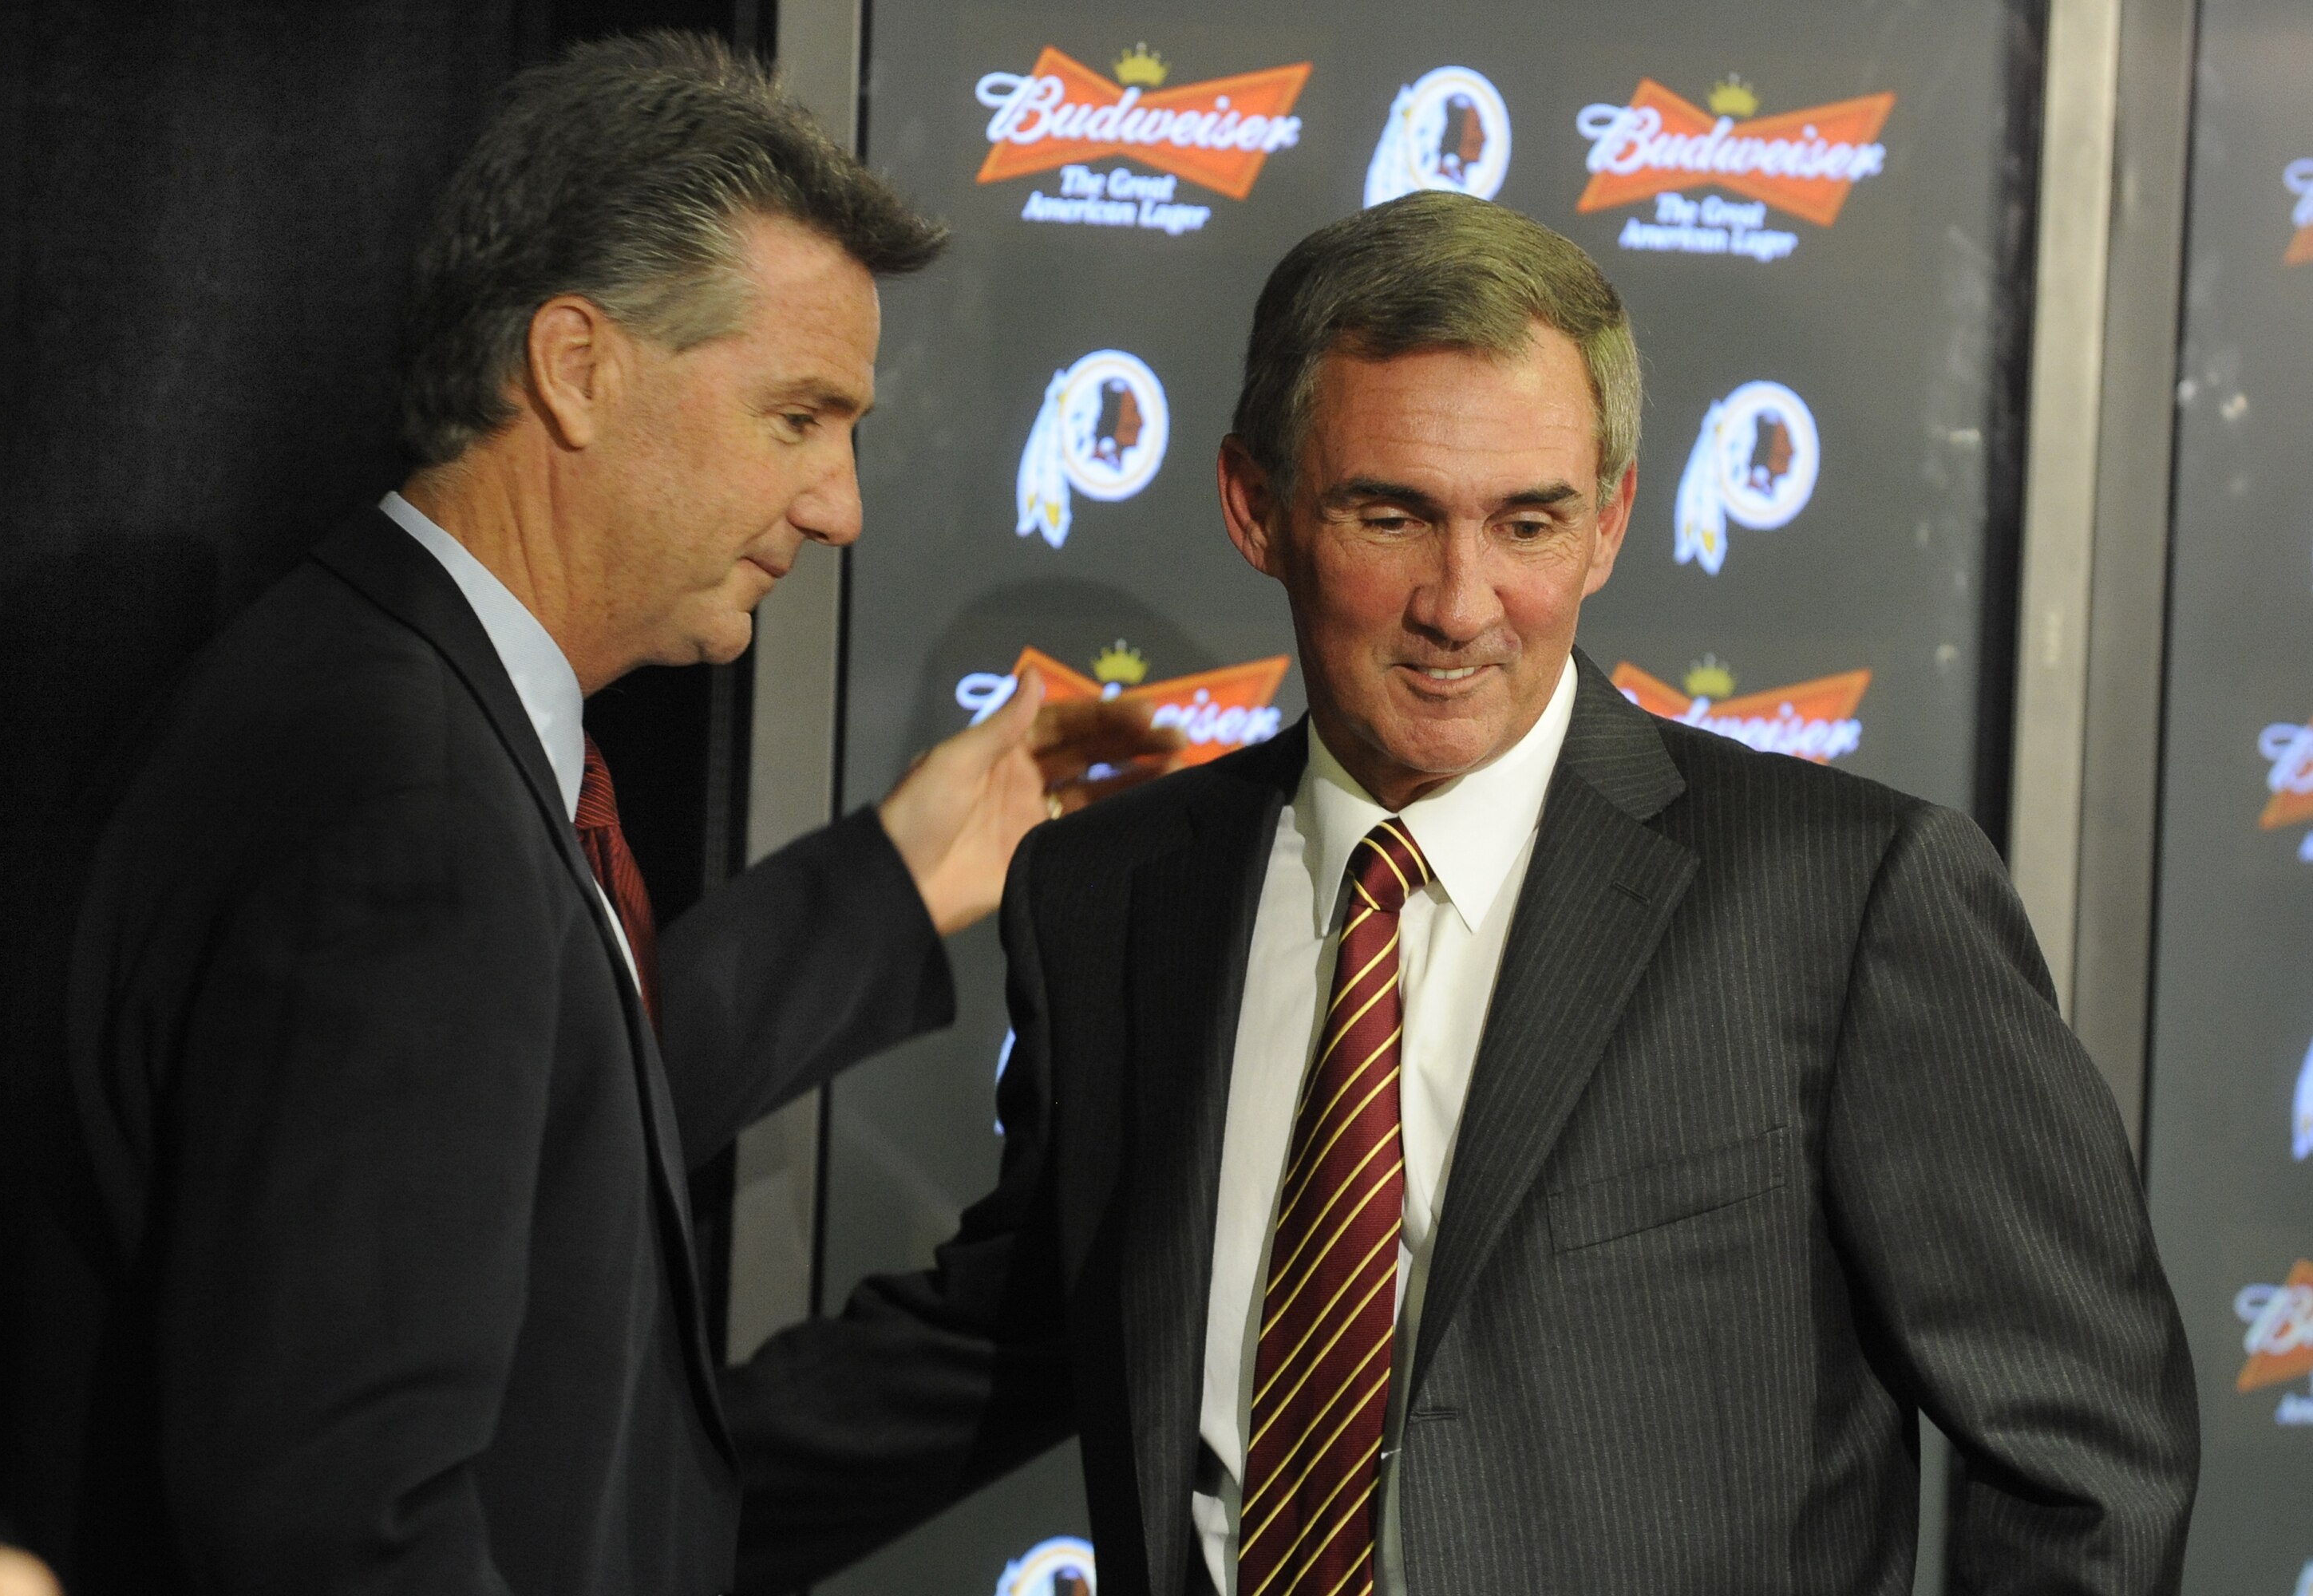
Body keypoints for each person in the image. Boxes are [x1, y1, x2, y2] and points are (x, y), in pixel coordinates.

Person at [718, 192, 2200, 1594]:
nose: (1462, 602)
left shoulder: (1846, 896)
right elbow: (1020, 1331)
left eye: (1530, 523)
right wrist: (565, 1511)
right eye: (1391, 515)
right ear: (1256, 505)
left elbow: (2088, 1452)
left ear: (1613, 521)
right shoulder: (1111, 897)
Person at [0, 33, 1166, 1596]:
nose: (842, 504)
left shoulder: (383, 699)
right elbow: (341, 1535)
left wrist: (891, 882)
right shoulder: (404, 812)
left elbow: (518, 1119)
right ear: (575, 367)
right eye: (798, 417)